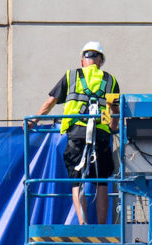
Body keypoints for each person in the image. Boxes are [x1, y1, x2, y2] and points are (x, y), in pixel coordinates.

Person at [36, 41, 121, 224]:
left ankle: (82, 223)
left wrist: (34, 120)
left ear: (83, 60)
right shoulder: (111, 80)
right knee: (102, 181)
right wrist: (113, 127)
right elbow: (115, 112)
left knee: (77, 179)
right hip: (100, 134)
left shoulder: (71, 76)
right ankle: (101, 226)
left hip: (76, 133)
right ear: (100, 61)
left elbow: (51, 101)